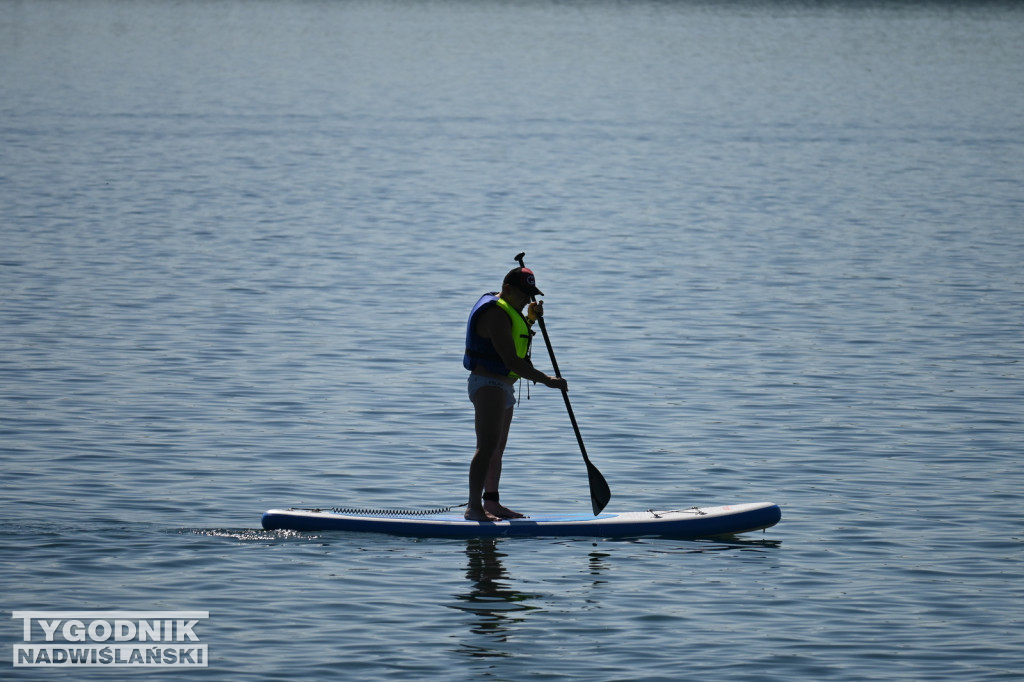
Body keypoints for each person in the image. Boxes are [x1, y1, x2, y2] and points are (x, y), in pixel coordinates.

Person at [463, 267, 568, 521]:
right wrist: (547, 380)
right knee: (486, 447)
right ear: (507, 289)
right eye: (524, 294)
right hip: (488, 384)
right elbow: (511, 360)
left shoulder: (510, 311)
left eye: (531, 295)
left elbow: (514, 342)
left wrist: (530, 320)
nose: (527, 300)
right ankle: (473, 508)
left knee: (496, 449)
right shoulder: (495, 314)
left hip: (503, 387)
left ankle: (492, 503)